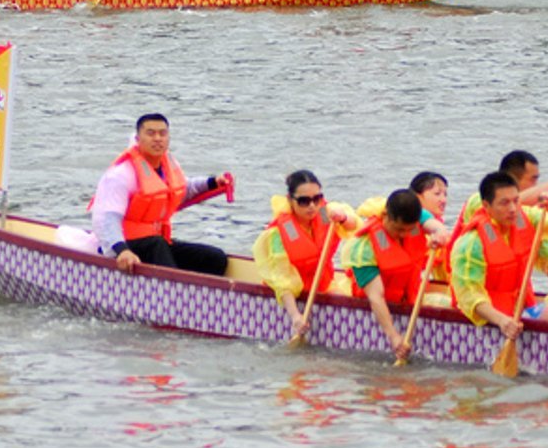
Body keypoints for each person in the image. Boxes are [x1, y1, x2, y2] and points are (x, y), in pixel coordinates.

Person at [91, 113, 234, 276]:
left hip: (156, 243)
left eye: (162, 133)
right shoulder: (121, 175)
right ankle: (174, 290)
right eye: (151, 133)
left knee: (215, 258)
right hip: (123, 246)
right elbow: (107, 220)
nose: (157, 139)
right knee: (157, 244)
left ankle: (200, 291)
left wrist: (214, 182)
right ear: (138, 139)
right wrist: (122, 251)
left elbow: (184, 189)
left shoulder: (168, 166)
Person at [449, 171, 548, 338]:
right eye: (504, 203)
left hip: (520, 309)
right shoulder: (471, 243)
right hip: (490, 317)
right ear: (486, 206)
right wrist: (502, 321)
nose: (512, 209)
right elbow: (469, 295)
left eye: (516, 201)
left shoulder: (525, 219)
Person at [254, 169, 359, 337]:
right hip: (294, 295)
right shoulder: (280, 232)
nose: (312, 206)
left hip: (324, 285)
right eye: (304, 201)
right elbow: (283, 280)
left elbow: (354, 226)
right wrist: (295, 316)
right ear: (290, 200)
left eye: (317, 199)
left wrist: (344, 218)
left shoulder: (326, 214)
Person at [341, 188, 432, 360]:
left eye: (409, 230)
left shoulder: (415, 225)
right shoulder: (364, 247)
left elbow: (433, 224)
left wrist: (439, 234)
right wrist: (393, 336)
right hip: (375, 303)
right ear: (386, 216)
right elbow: (376, 297)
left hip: (406, 299)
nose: (404, 235)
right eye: (399, 229)